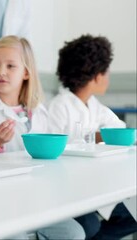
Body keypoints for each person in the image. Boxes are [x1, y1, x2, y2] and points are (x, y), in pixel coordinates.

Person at [0, 35, 85, 239]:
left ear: (26, 72)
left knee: (74, 233)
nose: (1, 72)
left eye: (10, 66)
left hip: (35, 198)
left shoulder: (38, 111)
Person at [48, 34, 137, 240]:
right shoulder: (60, 106)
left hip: (96, 189)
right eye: (106, 71)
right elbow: (55, 150)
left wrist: (100, 137)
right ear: (96, 75)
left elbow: (122, 133)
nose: (108, 77)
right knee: (88, 226)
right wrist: (97, 138)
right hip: (69, 191)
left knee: (132, 215)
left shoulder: (96, 107)